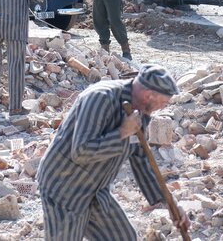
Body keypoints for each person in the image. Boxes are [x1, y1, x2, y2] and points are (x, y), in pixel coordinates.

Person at [37, 64, 189, 241]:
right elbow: (81, 152)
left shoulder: (141, 112)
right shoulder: (100, 98)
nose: (161, 108)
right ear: (149, 95)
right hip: (64, 187)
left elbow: (142, 161)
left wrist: (170, 203)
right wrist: (122, 132)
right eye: (163, 103)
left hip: (95, 190)